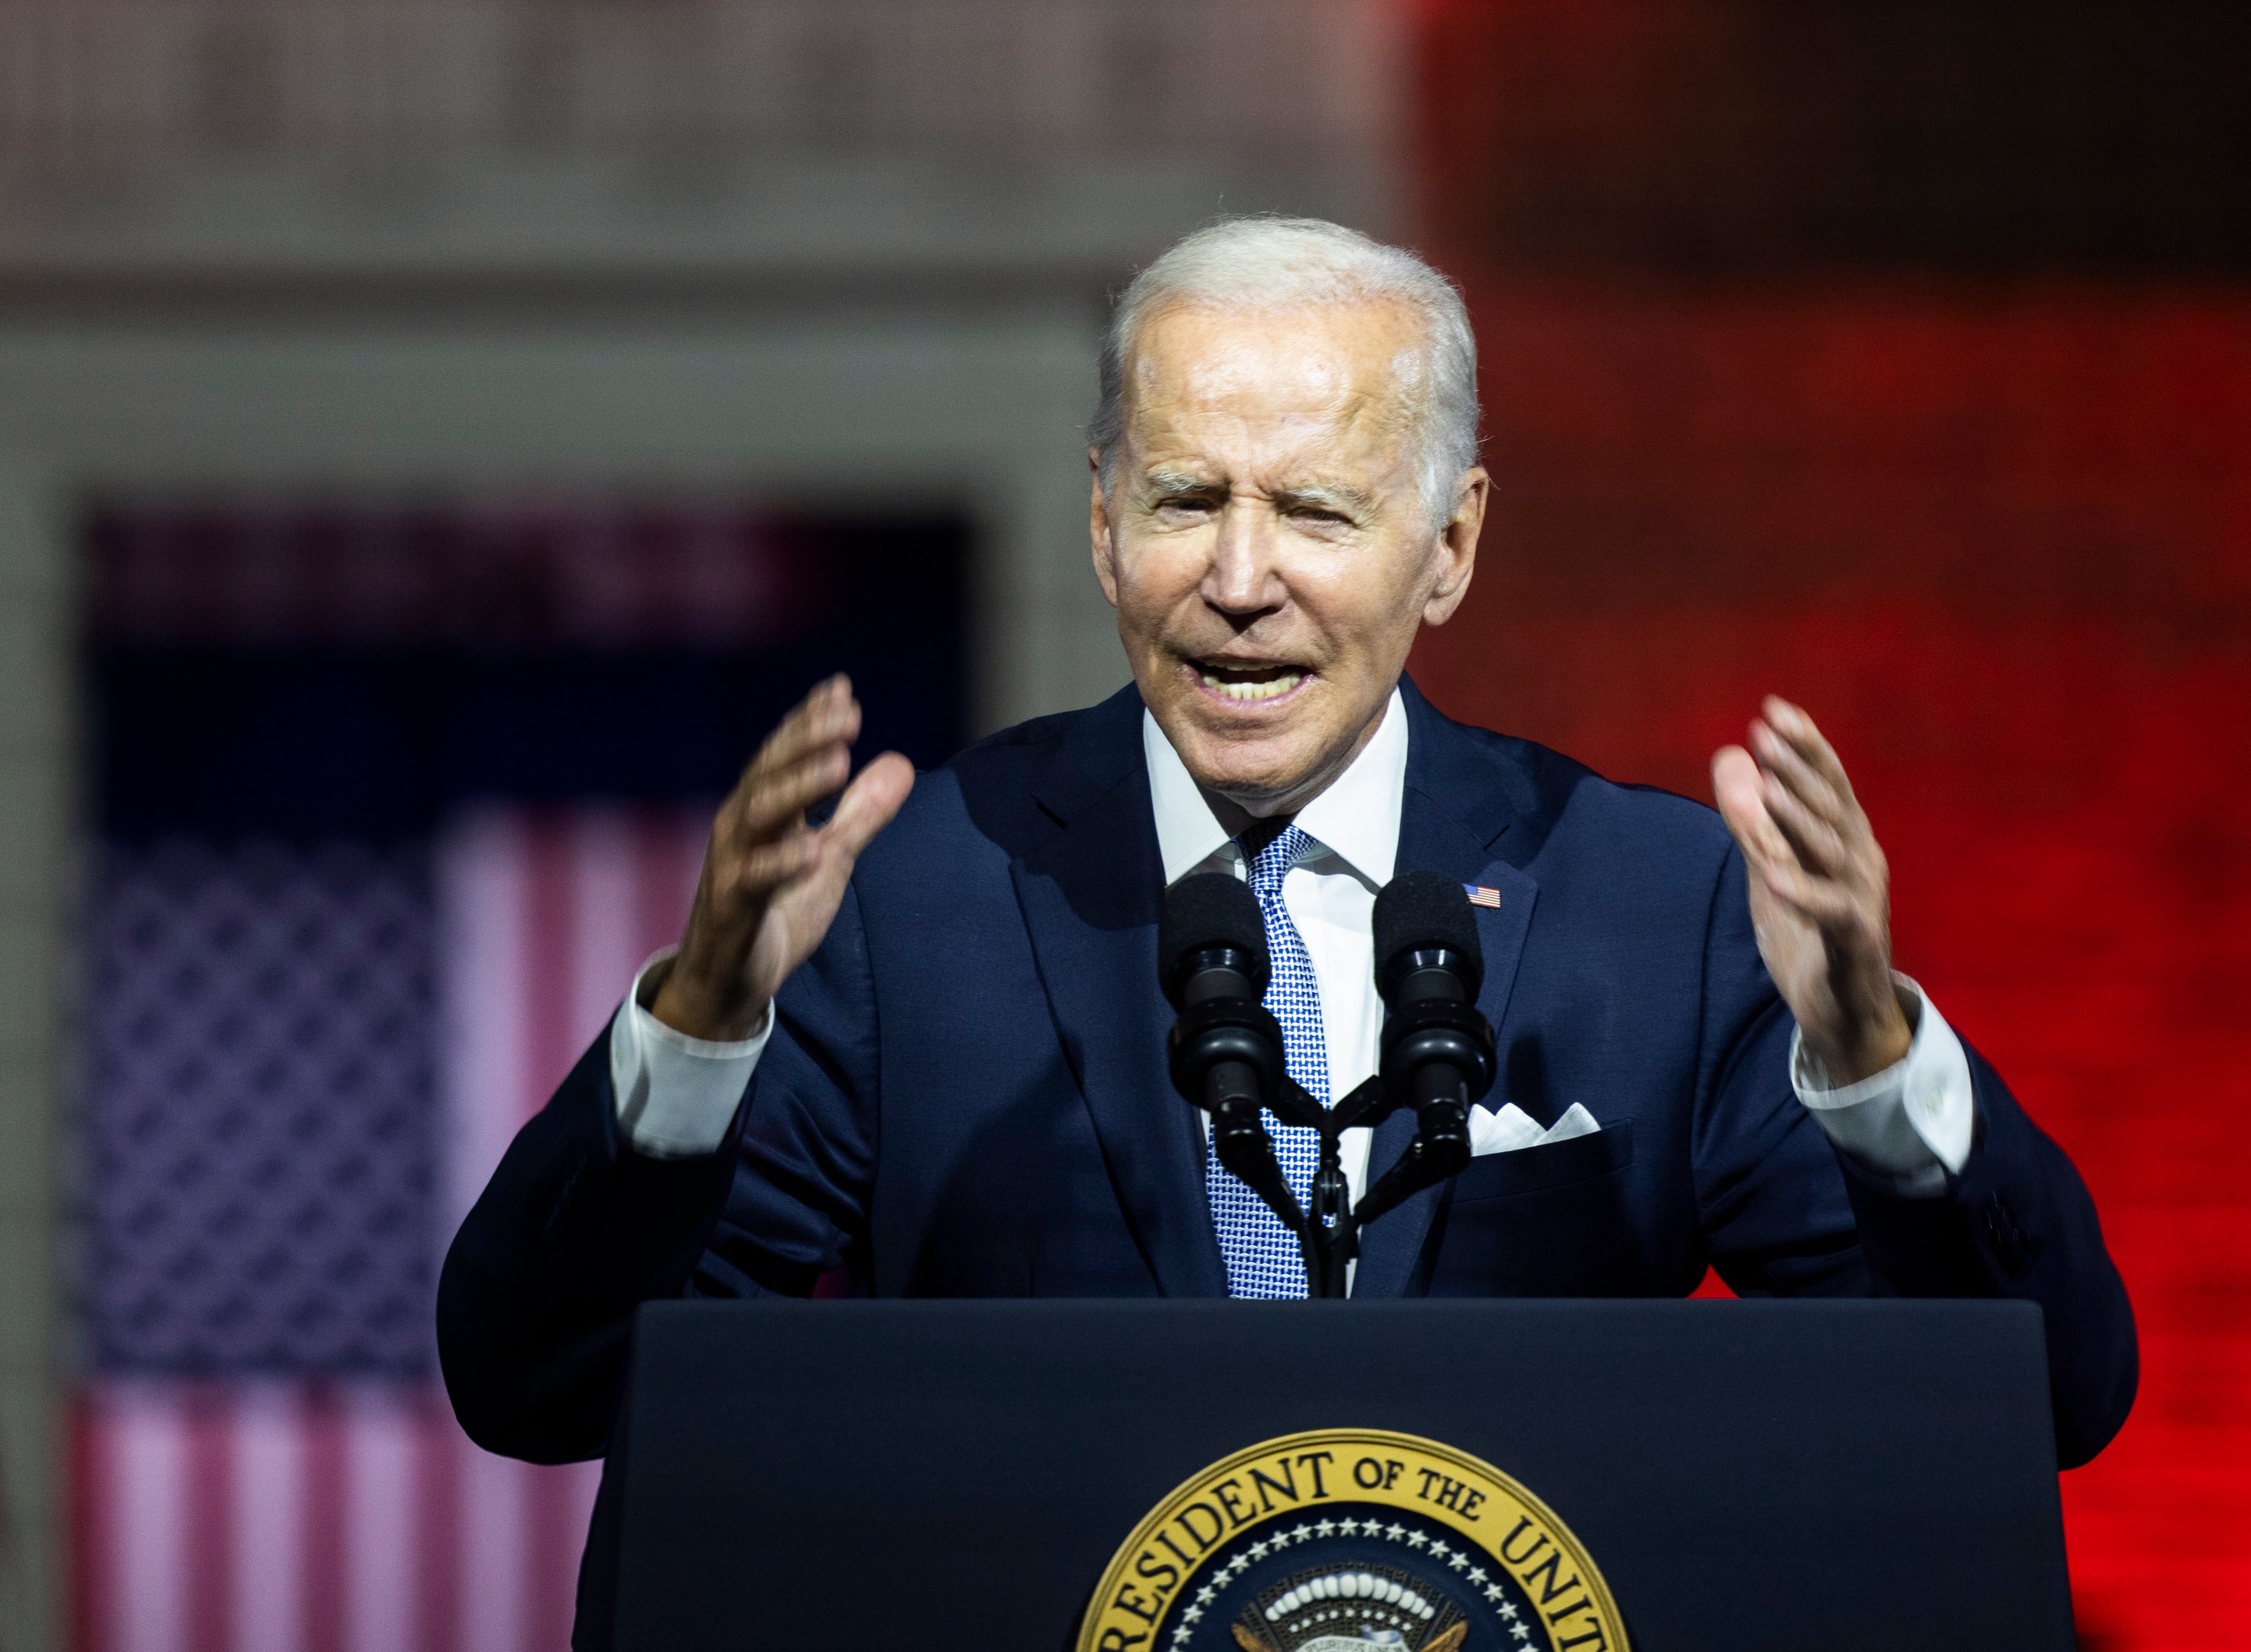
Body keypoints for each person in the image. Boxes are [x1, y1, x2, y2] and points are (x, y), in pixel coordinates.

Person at [439, 217, 2135, 1520]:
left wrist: (1877, 1069)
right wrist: (694, 1036)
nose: (1239, 578)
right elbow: (537, 1380)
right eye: (1187, 500)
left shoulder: (1648, 902)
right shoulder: (918, 897)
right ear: (1102, 520)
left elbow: (2044, 1396)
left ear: (1450, 543)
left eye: (1315, 512)